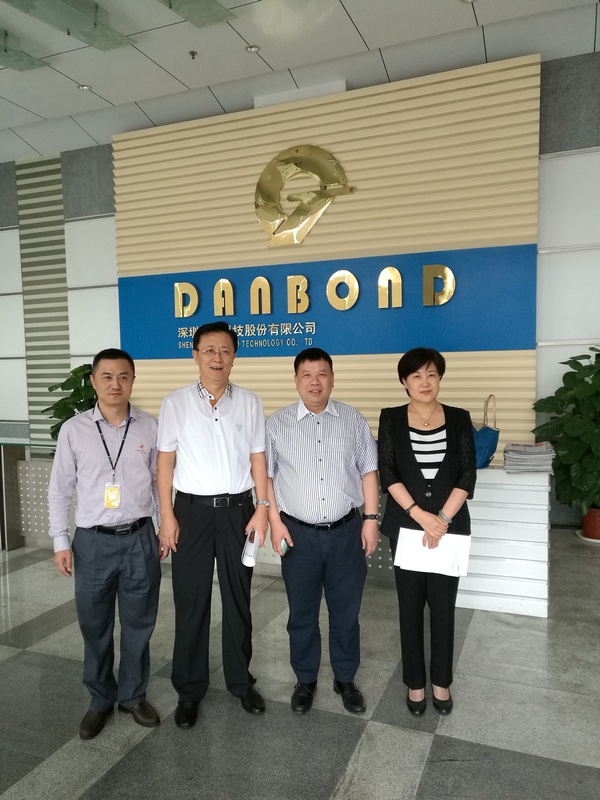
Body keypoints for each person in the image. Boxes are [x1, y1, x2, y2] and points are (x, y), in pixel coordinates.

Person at [157, 321, 269, 728]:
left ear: (234, 356)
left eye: (225, 350)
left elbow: (258, 459)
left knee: (239, 600)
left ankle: (241, 682)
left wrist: (262, 508)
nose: (217, 358)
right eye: (209, 350)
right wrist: (167, 516)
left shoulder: (250, 402)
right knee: (191, 601)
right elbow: (165, 463)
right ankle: (189, 690)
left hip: (239, 511)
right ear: (195, 355)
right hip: (191, 512)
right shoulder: (175, 403)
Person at [48, 348, 162, 741]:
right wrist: (60, 541)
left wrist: (164, 527)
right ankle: (100, 699)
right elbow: (60, 490)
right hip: (93, 543)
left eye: (124, 376)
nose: (116, 384)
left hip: (140, 538)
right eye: (107, 376)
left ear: (133, 380)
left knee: (139, 624)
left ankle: (133, 696)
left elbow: (159, 485)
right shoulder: (74, 430)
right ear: (93, 381)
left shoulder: (150, 427)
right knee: (94, 625)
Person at [266, 347, 379, 714]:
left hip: (346, 531)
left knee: (346, 612)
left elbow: (369, 472)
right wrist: (275, 523)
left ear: (332, 378)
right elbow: (266, 479)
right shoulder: (276, 424)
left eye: (322, 374)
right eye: (307, 375)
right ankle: (306, 680)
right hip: (297, 535)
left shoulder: (353, 420)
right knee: (301, 614)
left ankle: (345, 679)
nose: (314, 382)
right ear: (296, 380)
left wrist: (371, 519)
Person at [377, 347, 476, 716]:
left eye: (431, 374)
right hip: (407, 528)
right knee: (410, 606)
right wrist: (421, 515)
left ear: (440, 378)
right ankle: (415, 683)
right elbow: (388, 472)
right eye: (416, 375)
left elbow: (467, 473)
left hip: (450, 528)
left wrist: (443, 519)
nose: (424, 382)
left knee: (443, 607)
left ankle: (441, 682)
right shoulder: (391, 418)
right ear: (404, 381)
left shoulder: (459, 418)